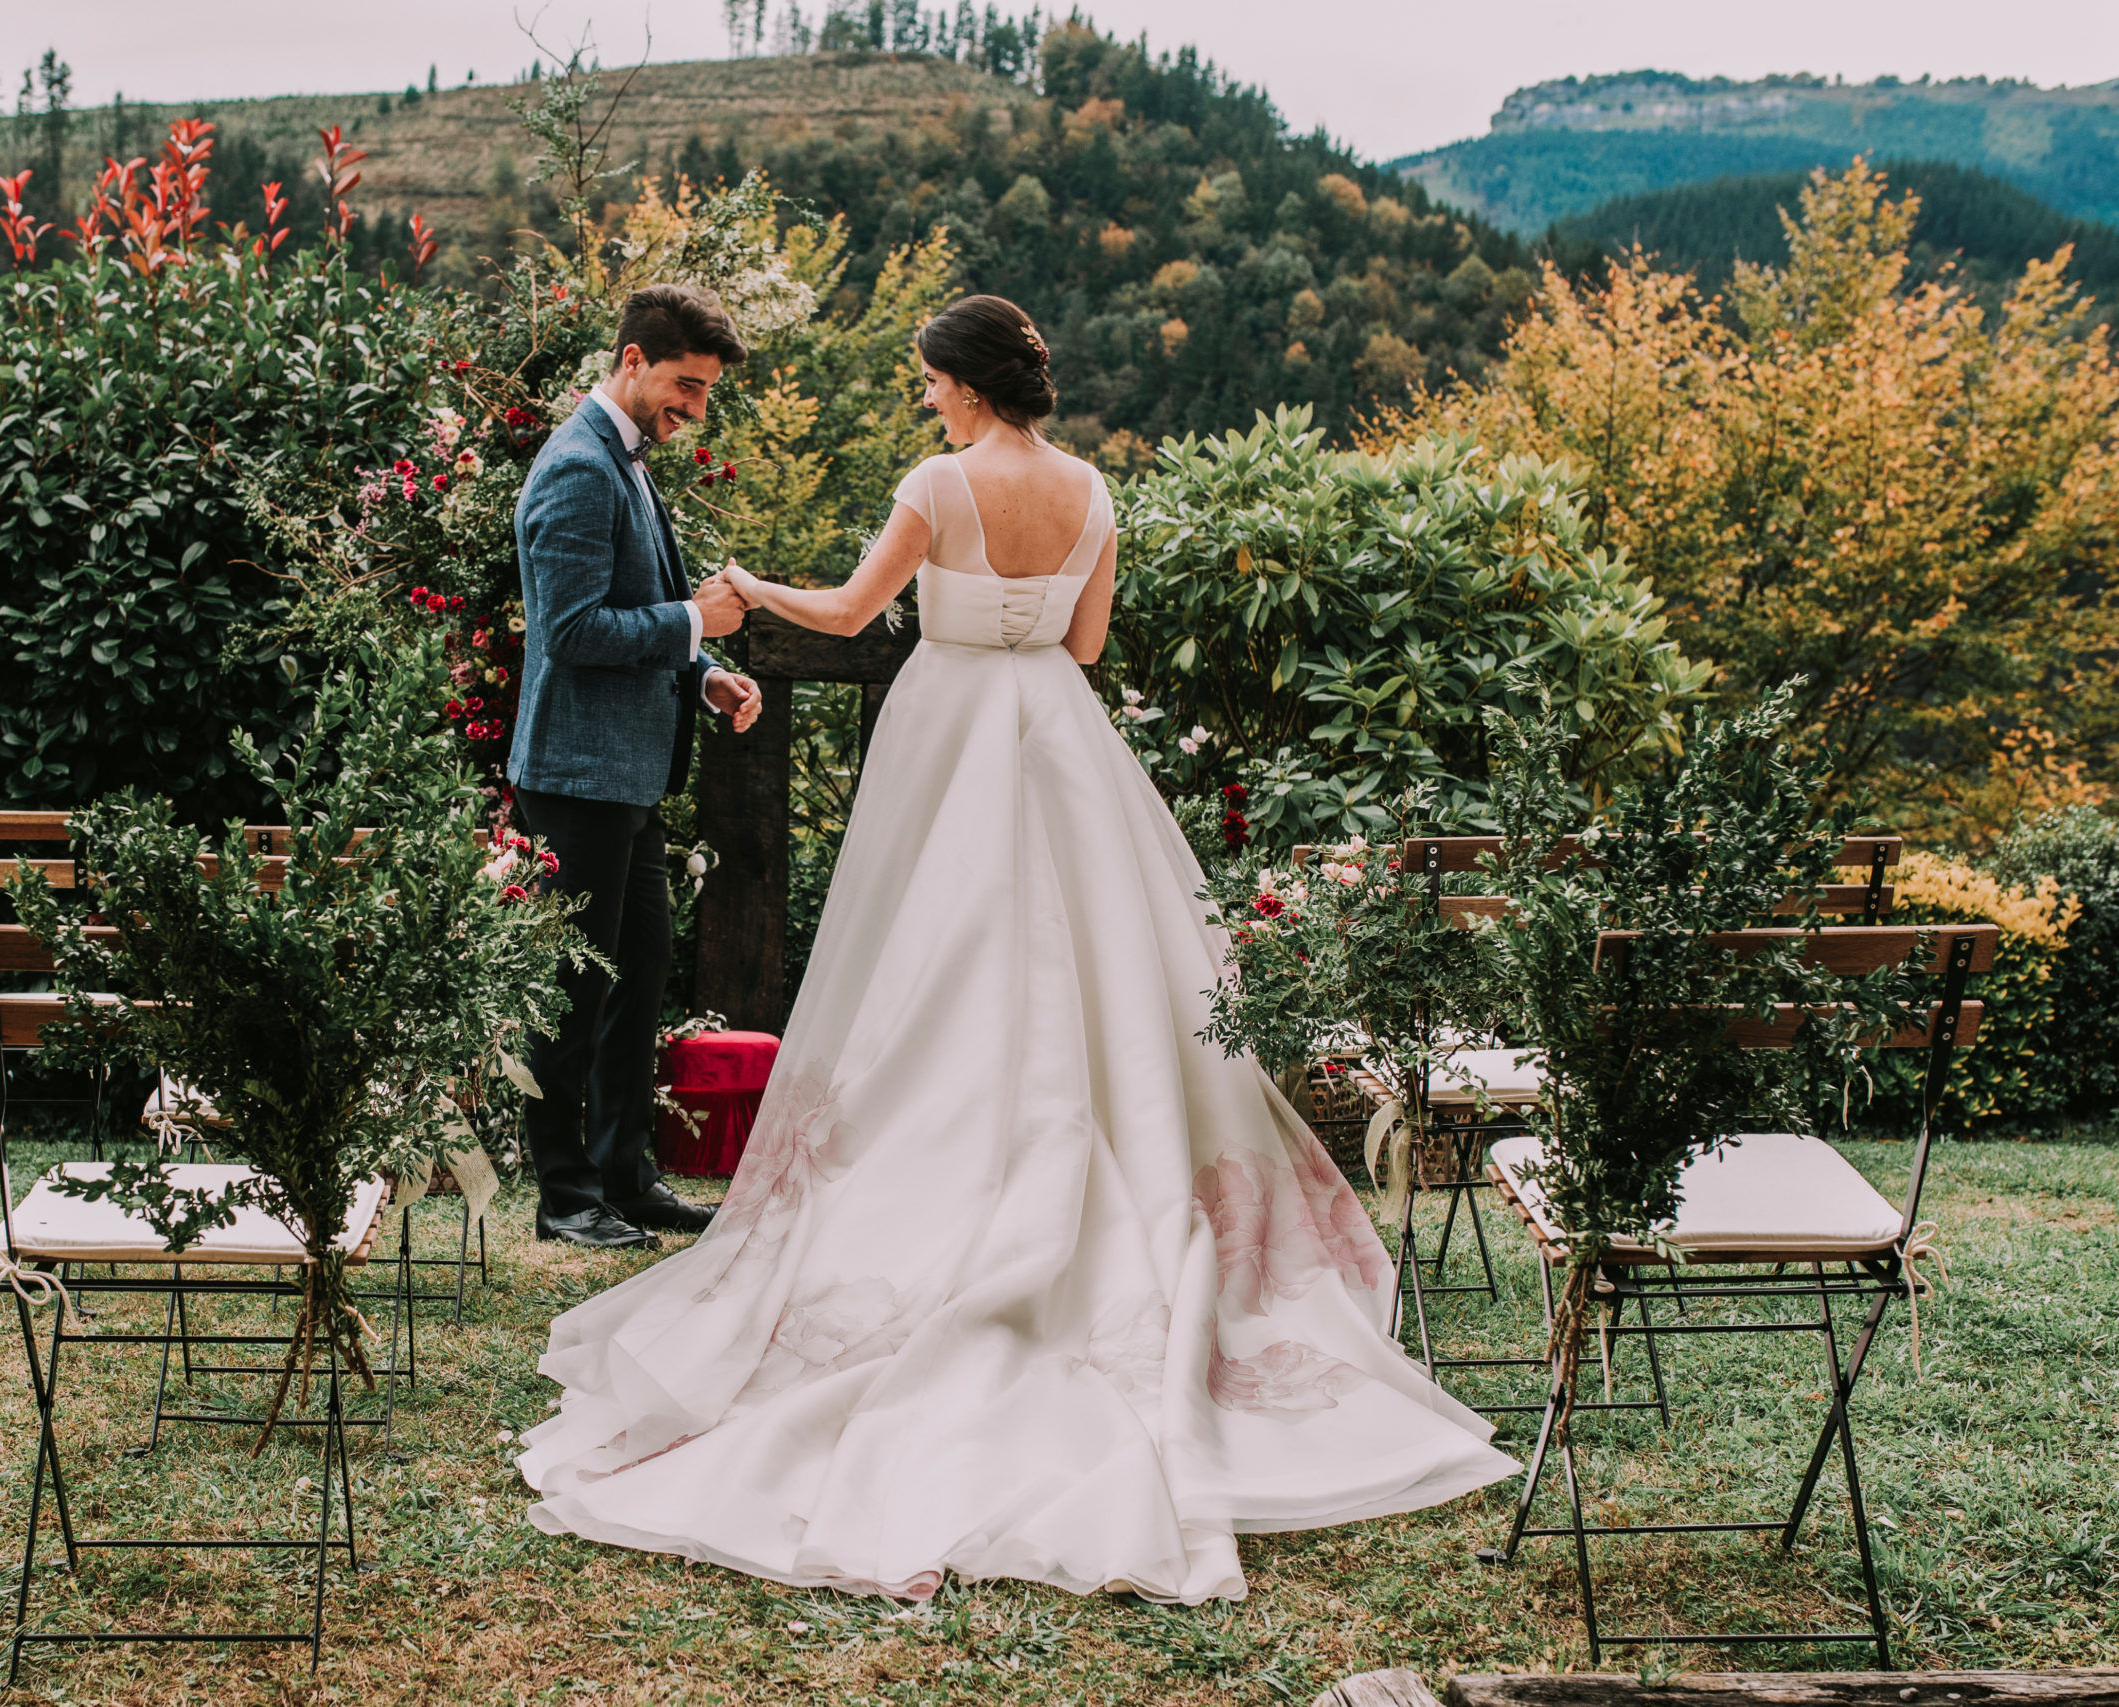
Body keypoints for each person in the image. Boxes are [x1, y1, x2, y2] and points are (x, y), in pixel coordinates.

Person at [518, 294, 1515, 1602]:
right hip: (1056, 733)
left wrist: (749, 590)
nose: (925, 397)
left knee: (939, 965)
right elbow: (1087, 642)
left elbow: (847, 612)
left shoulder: (939, 480)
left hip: (949, 734)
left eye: (929, 379)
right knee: (1089, 969)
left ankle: (939, 1177)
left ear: (965, 386)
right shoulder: (1093, 488)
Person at [510, 284, 767, 1250]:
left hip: (625, 776)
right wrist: (699, 619)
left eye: (703, 391)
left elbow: (637, 611)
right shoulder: (577, 467)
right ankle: (565, 1193)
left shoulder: (626, 459)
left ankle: (626, 1175)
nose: (695, 408)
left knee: (639, 979)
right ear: (630, 360)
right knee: (573, 994)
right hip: (575, 777)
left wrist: (705, 676)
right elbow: (573, 632)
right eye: (685, 385)